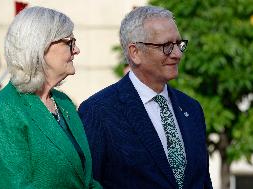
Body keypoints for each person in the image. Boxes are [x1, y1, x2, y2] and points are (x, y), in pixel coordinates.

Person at [79, 5, 213, 189]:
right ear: (135, 52)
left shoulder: (191, 108)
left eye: (179, 44)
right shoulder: (99, 111)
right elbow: (88, 183)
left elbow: (203, 181)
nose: (177, 54)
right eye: (167, 46)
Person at [0, 7, 101, 189]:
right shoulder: (4, 108)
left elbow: (86, 181)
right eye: (70, 42)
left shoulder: (63, 101)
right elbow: (16, 185)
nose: (77, 50)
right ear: (41, 46)